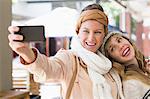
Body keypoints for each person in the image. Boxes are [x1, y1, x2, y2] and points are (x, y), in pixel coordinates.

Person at [8, 3, 124, 99]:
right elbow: (47, 68)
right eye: (86, 31)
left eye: (97, 32)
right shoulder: (69, 59)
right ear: (78, 32)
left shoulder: (109, 63)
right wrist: (26, 53)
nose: (91, 38)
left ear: (104, 34)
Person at [101, 31, 150, 99]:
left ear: (127, 40)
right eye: (113, 49)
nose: (121, 46)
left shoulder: (145, 70)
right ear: (112, 60)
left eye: (119, 40)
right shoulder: (130, 84)